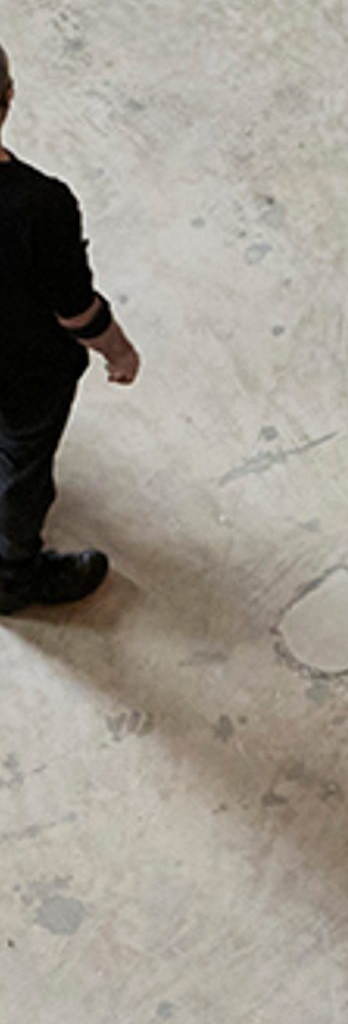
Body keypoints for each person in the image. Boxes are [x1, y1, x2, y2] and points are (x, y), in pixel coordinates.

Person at [0, 44, 139, 614]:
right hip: (21, 371)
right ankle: (12, 574)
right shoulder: (39, 204)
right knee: (22, 462)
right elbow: (74, 310)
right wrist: (118, 350)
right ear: (7, 98)